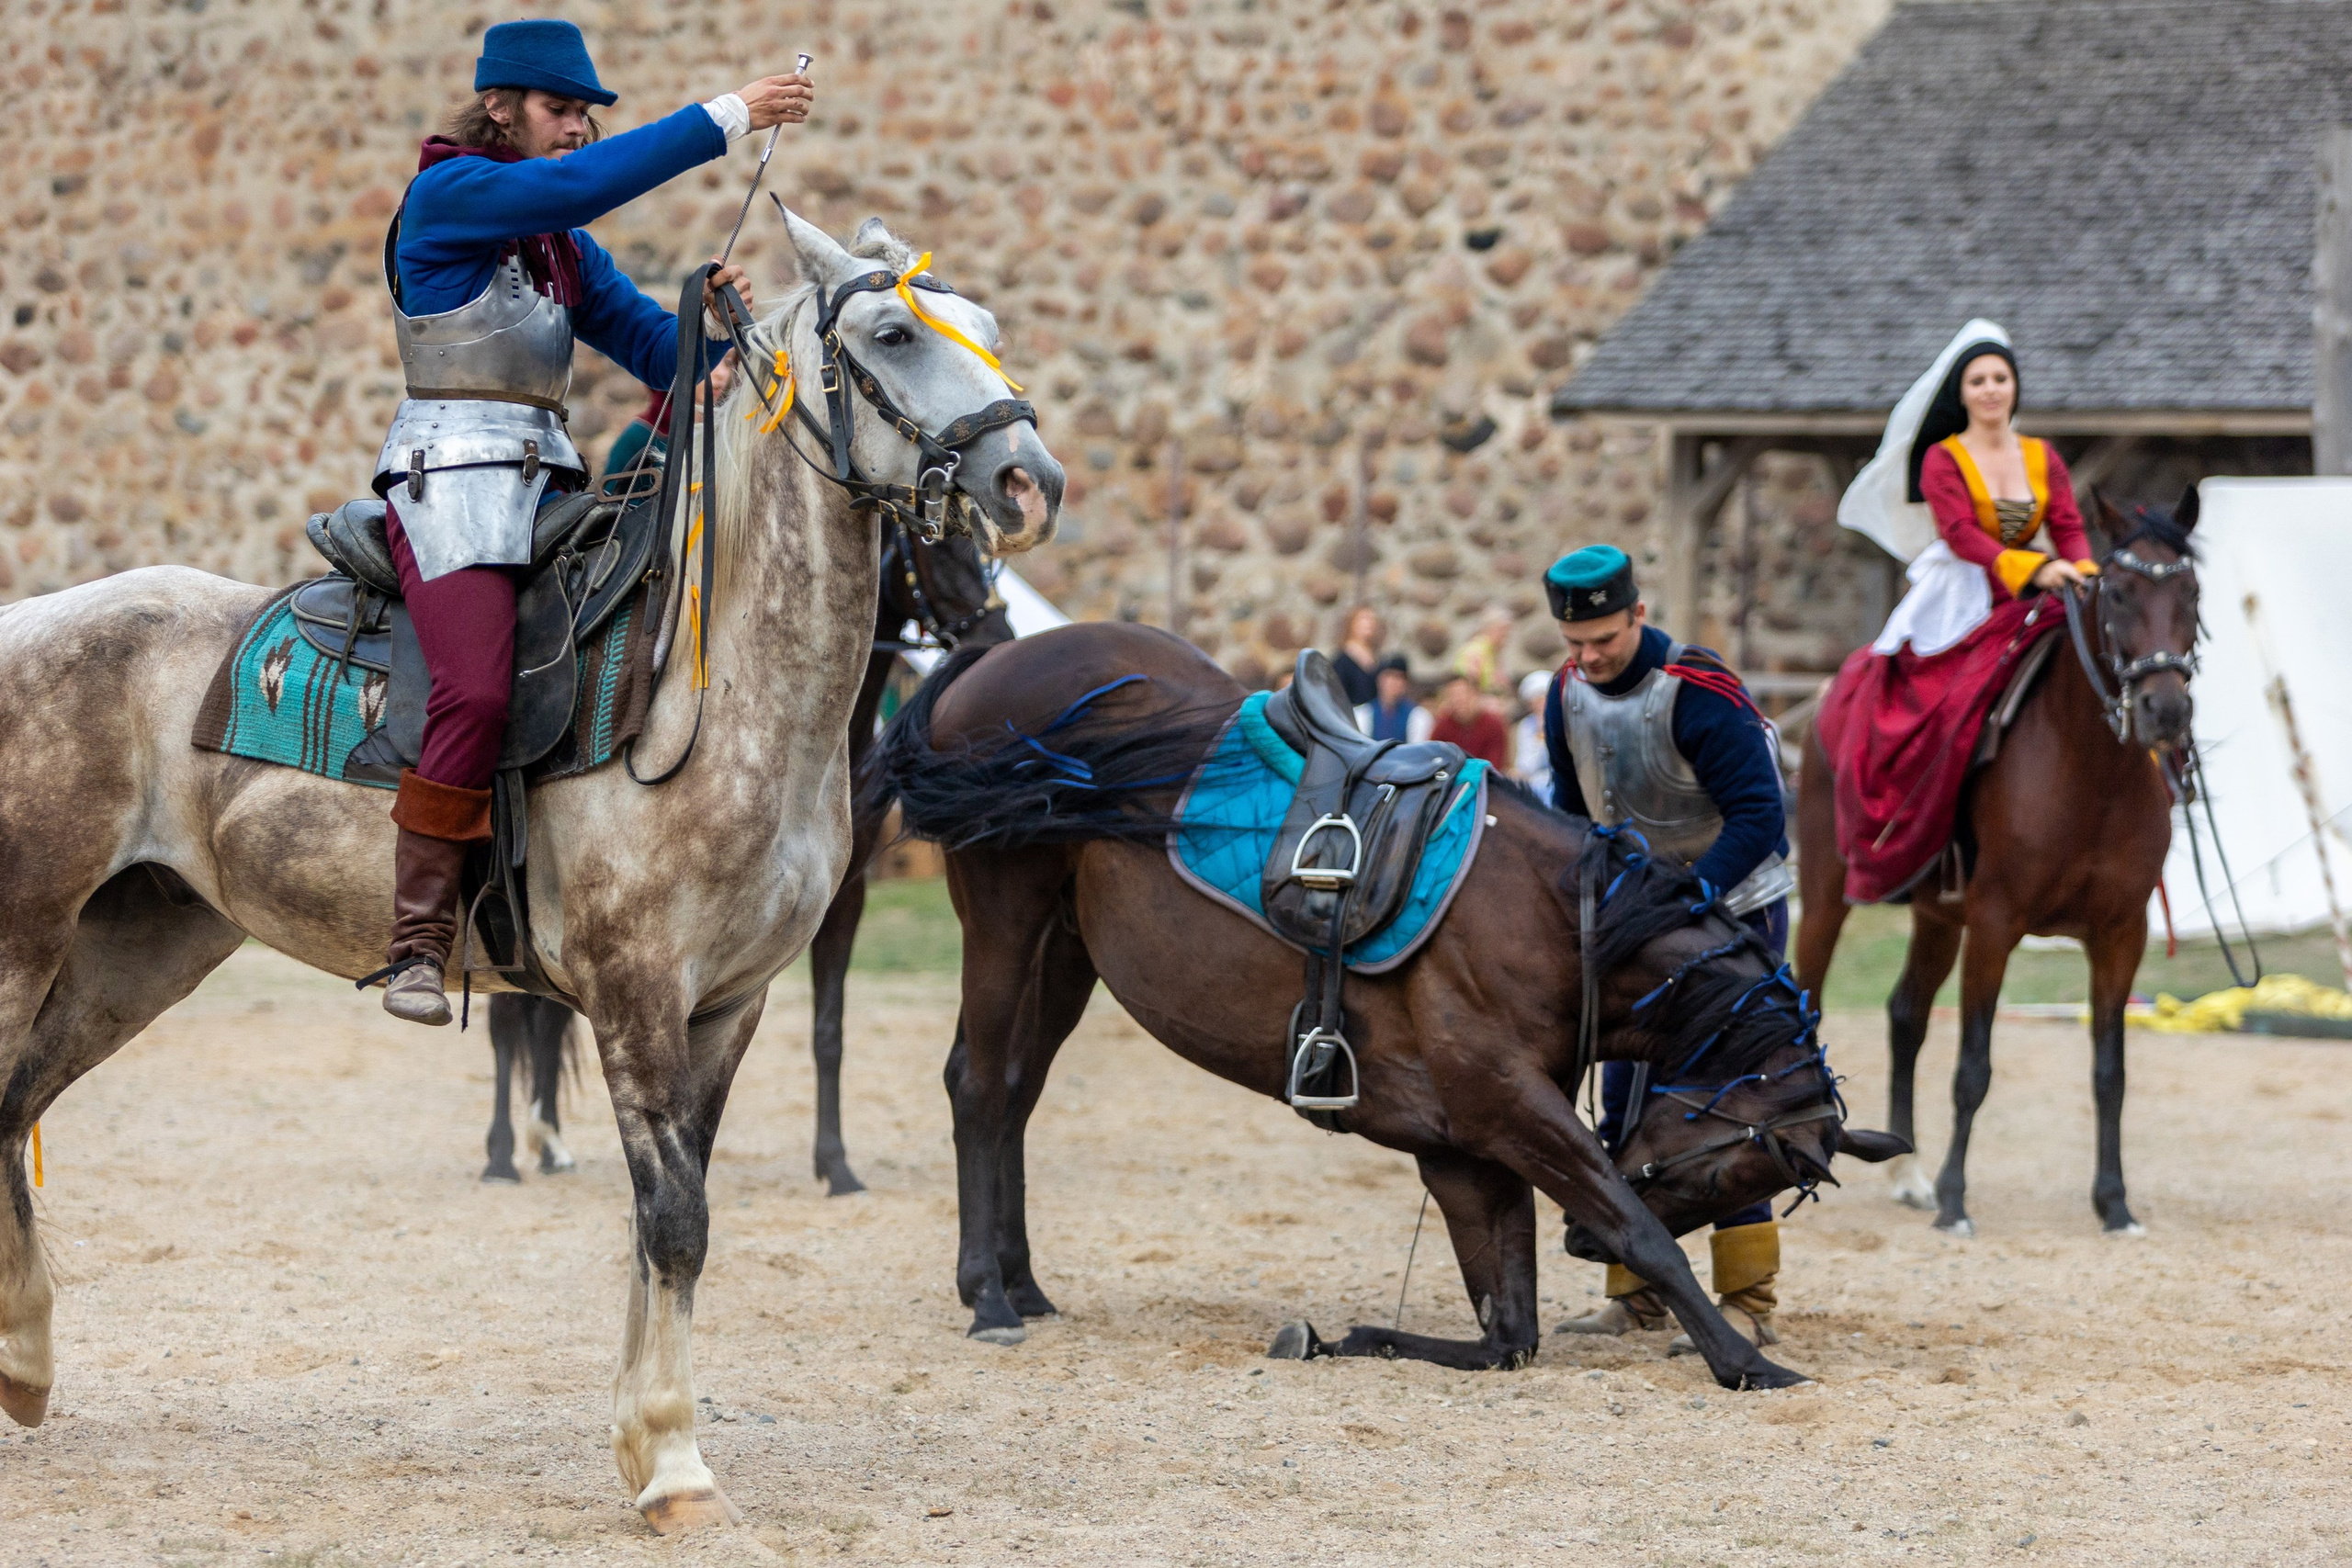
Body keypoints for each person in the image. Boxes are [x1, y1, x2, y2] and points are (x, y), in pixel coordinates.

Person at [366, 19, 813, 1026]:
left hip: (549, 493)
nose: (575, 128)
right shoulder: (450, 195)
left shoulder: (559, 247)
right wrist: (733, 114)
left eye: (583, 114)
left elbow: (660, 354)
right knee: (477, 693)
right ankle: (418, 940)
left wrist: (706, 326)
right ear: (500, 110)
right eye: (561, 110)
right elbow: (577, 186)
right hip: (452, 488)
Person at [1541, 545, 1793, 1352]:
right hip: (1635, 922)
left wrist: (1689, 899)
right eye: (1574, 643)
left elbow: (1761, 816)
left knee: (1727, 1103)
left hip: (1734, 913)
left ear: (1639, 615)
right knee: (1625, 1097)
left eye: (1604, 640)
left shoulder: (1701, 692)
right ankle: (1636, 1289)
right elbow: (1571, 812)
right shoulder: (1565, 695)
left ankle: (1749, 1299)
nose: (1588, 657)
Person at [1820, 322, 2098, 901]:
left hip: (2038, 591)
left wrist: (2085, 575)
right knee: (1945, 702)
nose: (1991, 389)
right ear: (1962, 392)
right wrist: (2032, 568)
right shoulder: (1943, 460)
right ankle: (1925, 832)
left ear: (2015, 387)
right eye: (1979, 380)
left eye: (2001, 378)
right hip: (1965, 592)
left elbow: (2067, 526)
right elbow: (1962, 533)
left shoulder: (2041, 456)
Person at [601, 354, 737, 482]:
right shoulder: (639, 437)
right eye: (709, 362)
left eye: (728, 363)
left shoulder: (730, 435)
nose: (721, 374)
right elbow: (610, 502)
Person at [1429, 674, 1510, 768]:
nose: (1459, 700)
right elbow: (1434, 759)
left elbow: (1495, 764)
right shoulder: (1442, 725)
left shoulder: (1494, 725)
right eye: (1453, 696)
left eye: (1464, 695)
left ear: (1476, 694)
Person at [1353, 654, 1434, 743]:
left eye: (1399, 677)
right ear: (1379, 680)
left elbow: (1417, 750)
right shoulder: (1362, 714)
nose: (1394, 683)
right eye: (1388, 676)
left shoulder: (1418, 716)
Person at [1453, 604, 1516, 708]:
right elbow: (1468, 687)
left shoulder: (1493, 652)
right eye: (1505, 631)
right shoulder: (1475, 650)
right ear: (1493, 628)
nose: (1507, 636)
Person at [1510, 668, 1553, 798]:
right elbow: (1525, 766)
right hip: (1535, 784)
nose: (1541, 705)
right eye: (1536, 701)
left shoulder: (1565, 722)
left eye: (1544, 699)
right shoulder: (1527, 726)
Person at [1329, 606, 1383, 708]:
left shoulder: (1377, 658)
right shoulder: (1342, 661)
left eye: (1372, 619)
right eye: (1364, 619)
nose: (1369, 623)